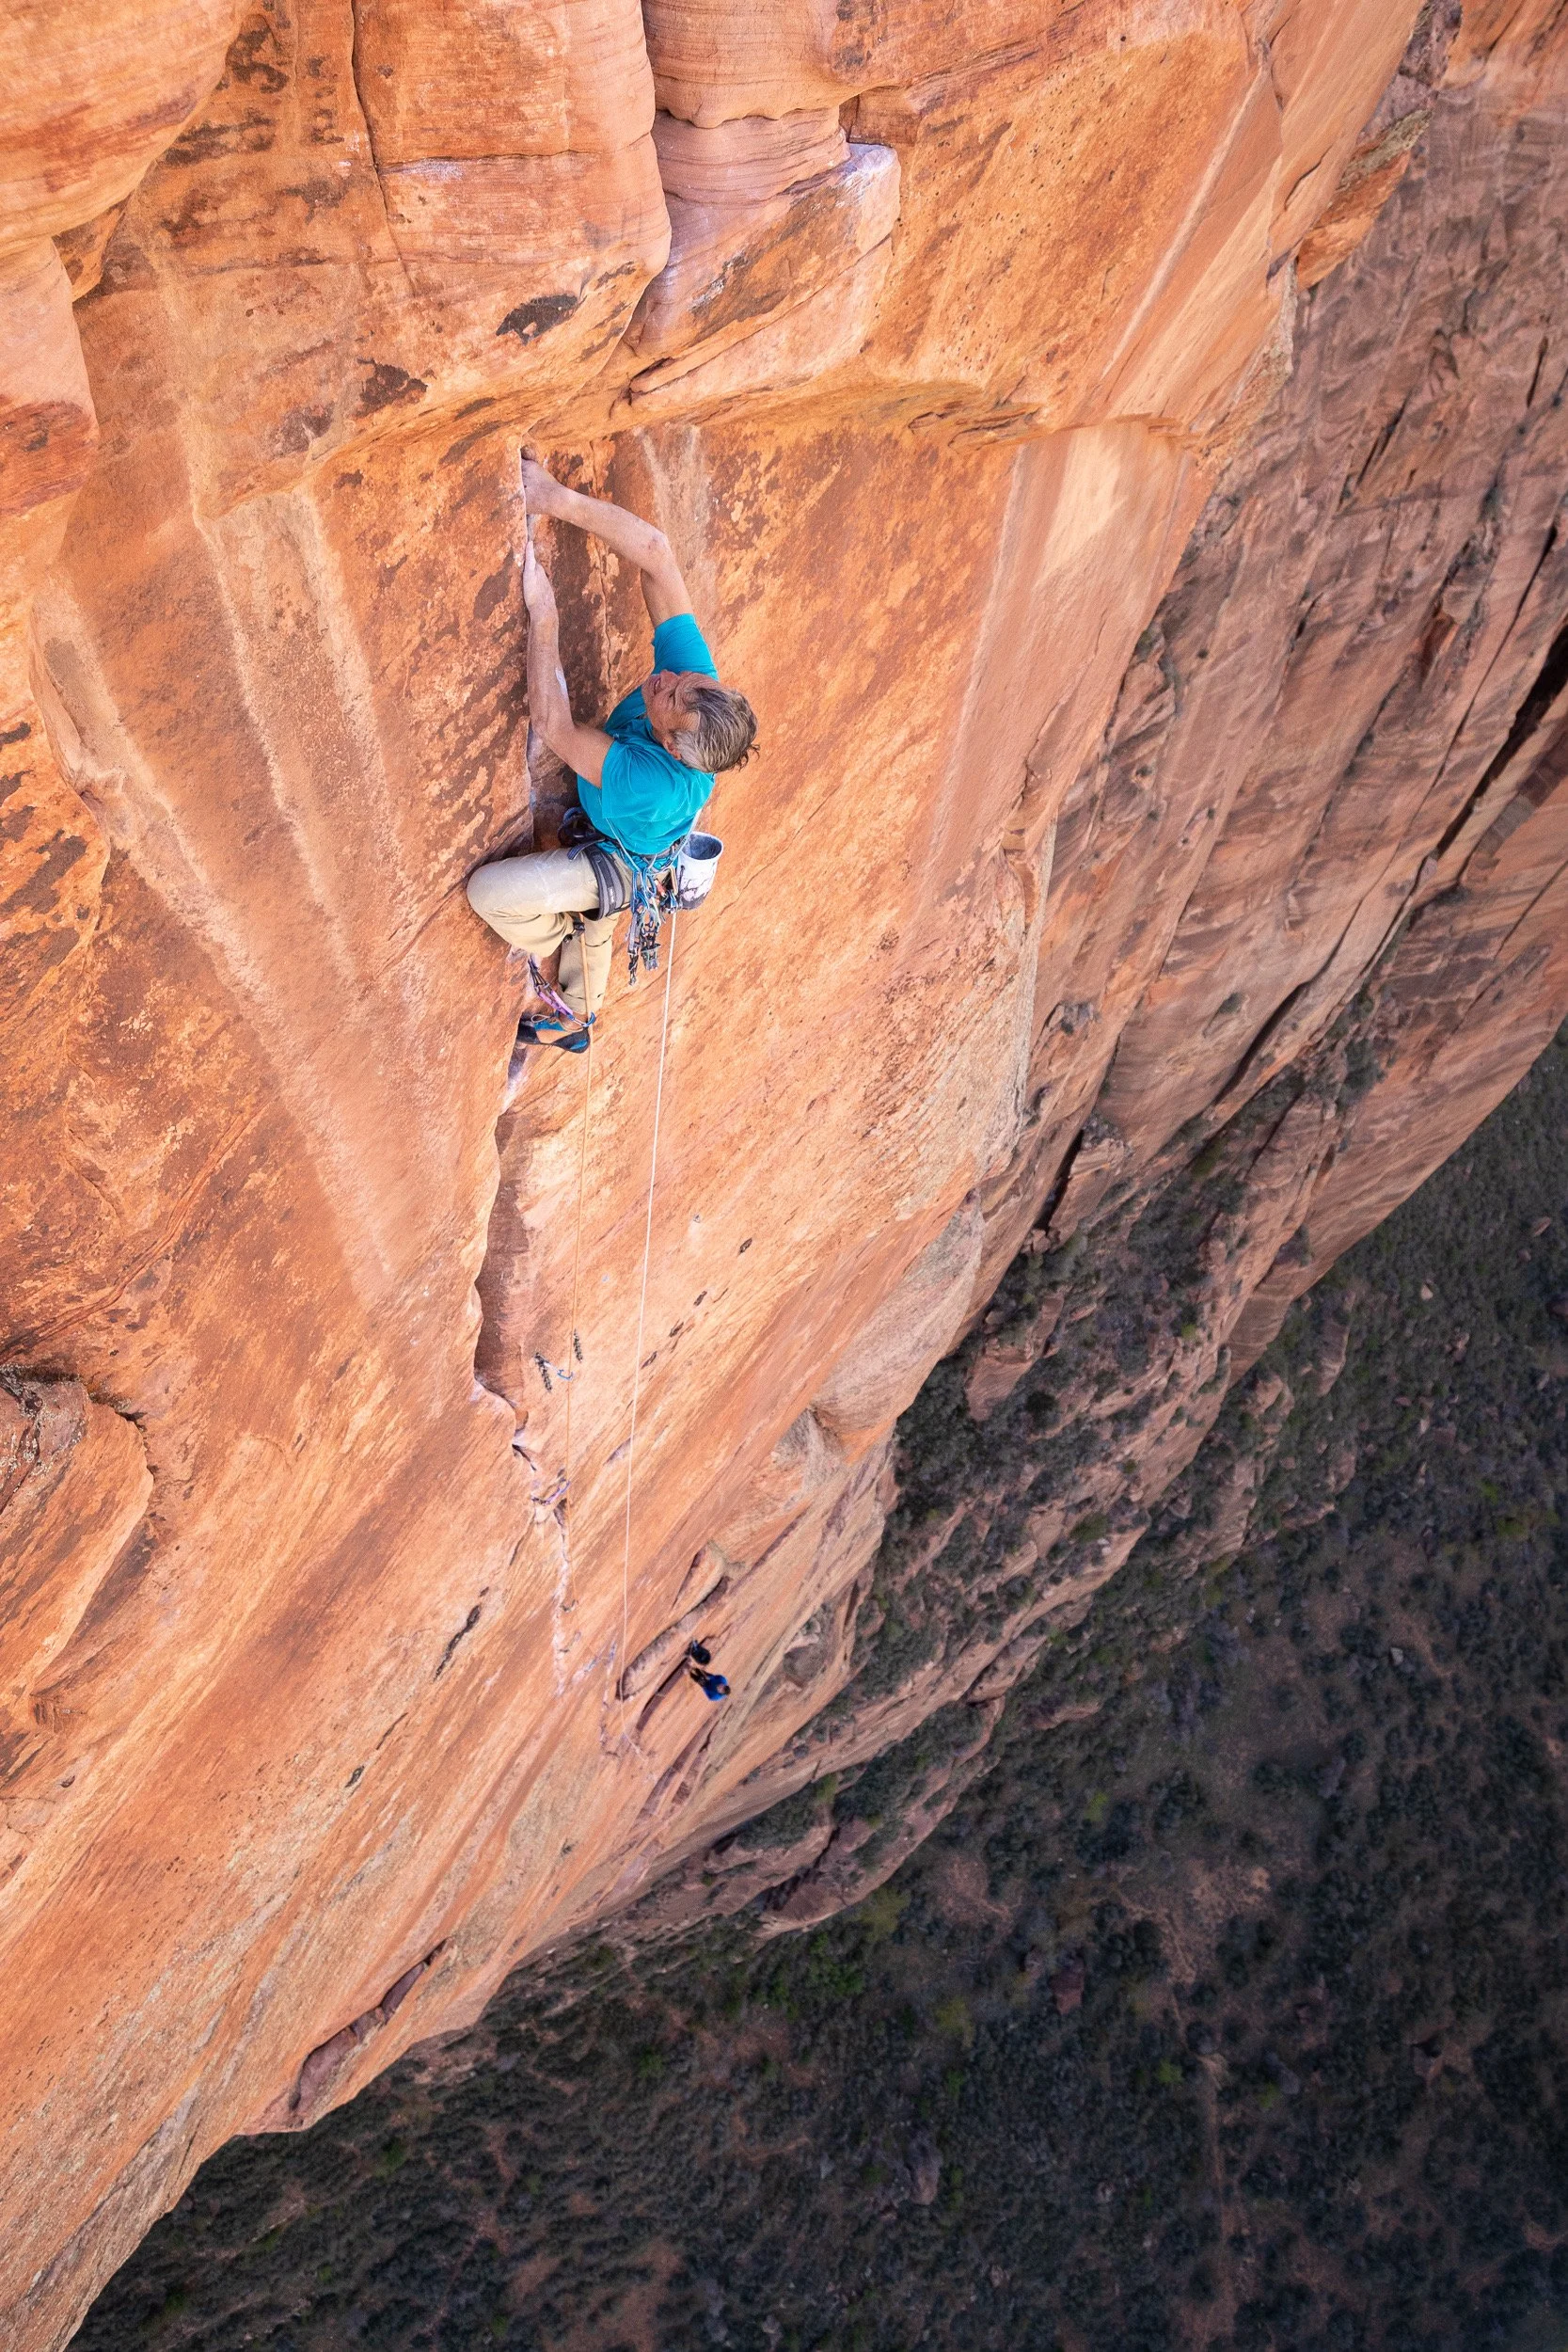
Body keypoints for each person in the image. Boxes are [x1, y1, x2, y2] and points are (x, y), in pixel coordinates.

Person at [467, 457, 758, 1051]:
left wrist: (543, 615)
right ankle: (583, 984)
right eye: (682, 682)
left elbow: (552, 724)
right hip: (635, 827)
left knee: (491, 894)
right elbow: (656, 551)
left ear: (675, 745)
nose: (666, 678)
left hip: (623, 853)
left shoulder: (650, 778)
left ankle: (567, 935)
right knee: (604, 893)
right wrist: (553, 498)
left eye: (671, 696)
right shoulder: (696, 686)